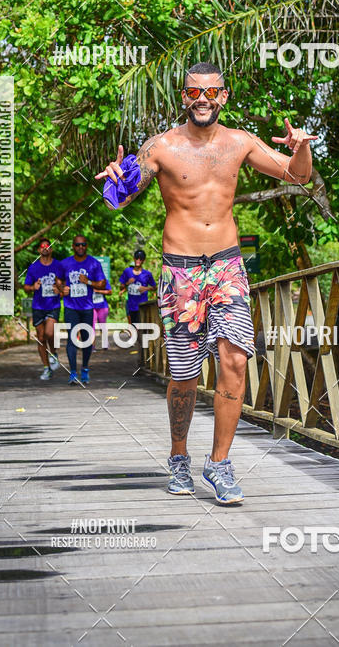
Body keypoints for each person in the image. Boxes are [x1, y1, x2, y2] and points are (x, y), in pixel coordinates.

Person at [96, 62, 316, 505]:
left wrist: (301, 148)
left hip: (227, 268)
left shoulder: (240, 143)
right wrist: (115, 181)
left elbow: (298, 175)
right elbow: (119, 199)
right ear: (183, 97)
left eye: (211, 93)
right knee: (184, 376)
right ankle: (179, 456)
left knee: (235, 360)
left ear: (224, 96)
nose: (203, 100)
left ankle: (219, 463)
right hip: (180, 273)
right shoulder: (160, 147)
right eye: (195, 92)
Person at [60, 236, 106, 385]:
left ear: (86, 246)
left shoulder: (93, 263)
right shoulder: (65, 263)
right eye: (78, 245)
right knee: (72, 338)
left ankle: (85, 369)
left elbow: (102, 284)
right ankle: (73, 372)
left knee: (87, 340)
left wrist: (89, 282)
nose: (80, 247)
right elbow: (57, 281)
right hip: (70, 307)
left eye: (83, 244)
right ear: (73, 246)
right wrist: (62, 289)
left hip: (87, 307)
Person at [23, 239, 64, 380]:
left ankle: (53, 353)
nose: (45, 248)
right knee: (40, 338)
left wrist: (58, 288)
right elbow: (26, 287)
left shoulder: (58, 265)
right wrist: (33, 287)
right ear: (39, 250)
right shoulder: (34, 268)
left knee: (49, 333)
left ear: (51, 249)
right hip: (38, 306)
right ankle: (46, 368)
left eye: (48, 246)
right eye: (42, 246)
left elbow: (65, 285)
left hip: (53, 305)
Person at [119, 249, 157, 325]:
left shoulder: (147, 274)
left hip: (142, 306)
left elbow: (155, 287)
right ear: (134, 258)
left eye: (141, 258)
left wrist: (146, 288)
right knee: (133, 327)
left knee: (141, 328)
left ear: (144, 260)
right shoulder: (127, 271)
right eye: (137, 258)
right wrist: (127, 283)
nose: (138, 260)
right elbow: (121, 287)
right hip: (131, 305)